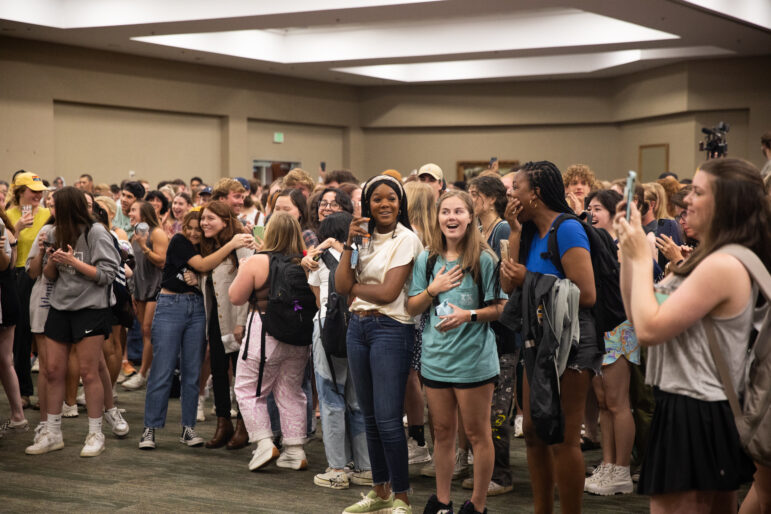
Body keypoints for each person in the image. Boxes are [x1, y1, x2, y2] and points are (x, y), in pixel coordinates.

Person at [615, 158, 770, 514]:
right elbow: (638, 315)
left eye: (699, 192)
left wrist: (641, 258)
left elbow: (650, 330)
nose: (686, 201)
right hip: (688, 405)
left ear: (727, 203)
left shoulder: (724, 264)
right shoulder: (709, 257)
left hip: (697, 409)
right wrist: (630, 252)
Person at [500, 161, 599, 514]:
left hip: (570, 342)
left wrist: (529, 277)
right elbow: (508, 284)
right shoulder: (526, 231)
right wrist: (513, 231)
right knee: (534, 431)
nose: (510, 194)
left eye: (516, 188)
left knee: (564, 437)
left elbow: (586, 294)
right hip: (537, 340)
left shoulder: (568, 229)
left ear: (536, 194)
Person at [407, 190, 505, 514]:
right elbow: (412, 306)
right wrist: (433, 289)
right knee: (442, 432)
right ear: (437, 217)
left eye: (458, 212)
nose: (451, 218)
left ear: (470, 217)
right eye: (445, 211)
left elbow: (499, 308)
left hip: (474, 360)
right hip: (436, 360)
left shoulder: (484, 259)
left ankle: (477, 505)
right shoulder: (428, 259)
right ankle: (443, 502)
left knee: (478, 434)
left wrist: (469, 315)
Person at [335, 174, 424, 514]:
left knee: (388, 418)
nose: (384, 204)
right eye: (377, 199)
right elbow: (342, 283)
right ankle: (380, 491)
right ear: (366, 204)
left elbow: (388, 292)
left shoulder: (407, 239)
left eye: (391, 198)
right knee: (369, 416)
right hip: (357, 327)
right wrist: (348, 244)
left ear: (400, 204)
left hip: (391, 328)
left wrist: (355, 289)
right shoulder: (361, 238)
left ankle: (402, 496)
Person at [137, 210, 254, 450]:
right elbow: (202, 264)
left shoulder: (209, 246)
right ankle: (149, 429)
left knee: (192, 372)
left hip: (199, 308)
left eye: (197, 229)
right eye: (189, 227)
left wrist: (245, 237)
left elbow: (210, 270)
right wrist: (232, 242)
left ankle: (188, 429)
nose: (193, 232)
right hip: (171, 306)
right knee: (163, 368)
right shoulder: (180, 241)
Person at [25, 187, 120, 457]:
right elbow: (49, 276)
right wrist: (54, 260)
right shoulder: (54, 233)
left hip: (90, 308)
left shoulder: (96, 232)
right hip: (59, 307)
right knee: (53, 370)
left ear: (70, 208)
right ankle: (52, 433)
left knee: (89, 372)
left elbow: (107, 275)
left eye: (56, 205)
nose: (51, 210)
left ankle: (95, 433)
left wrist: (73, 262)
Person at [230, 212, 312, 471]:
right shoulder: (305, 262)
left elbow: (235, 297)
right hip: (298, 336)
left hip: (263, 333)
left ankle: (264, 443)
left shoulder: (257, 262)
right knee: (290, 391)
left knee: (247, 389)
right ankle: (295, 450)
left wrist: (243, 270)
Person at [304, 212, 373, 489]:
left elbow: (319, 300)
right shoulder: (361, 258)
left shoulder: (317, 259)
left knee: (331, 398)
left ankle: (337, 468)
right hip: (359, 327)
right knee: (358, 401)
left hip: (327, 332)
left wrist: (321, 249)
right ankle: (366, 466)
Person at [583, 189, 639, 495]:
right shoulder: (588, 244)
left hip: (618, 327)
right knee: (603, 402)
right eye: (588, 208)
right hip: (597, 327)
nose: (591, 213)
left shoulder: (624, 246)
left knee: (618, 403)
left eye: (598, 208)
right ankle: (607, 463)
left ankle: (622, 469)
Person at [467, 174, 518, 497]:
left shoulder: (500, 229)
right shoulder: (481, 230)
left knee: (498, 409)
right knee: (484, 409)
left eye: (473, 195)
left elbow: (502, 278)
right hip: (485, 332)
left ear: (486, 199)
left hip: (502, 330)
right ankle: (487, 471)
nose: (469, 201)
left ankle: (501, 474)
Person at [199, 201, 253, 449]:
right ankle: (224, 423)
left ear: (224, 220)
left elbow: (249, 284)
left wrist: (241, 323)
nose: (204, 223)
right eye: (203, 218)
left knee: (241, 376)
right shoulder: (209, 246)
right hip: (216, 319)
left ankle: (244, 426)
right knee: (219, 373)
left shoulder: (241, 245)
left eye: (210, 218)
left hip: (236, 319)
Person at [6, 172, 51, 409]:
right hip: (16, 275)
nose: (38, 194)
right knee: (20, 336)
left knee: (45, 334)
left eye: (40, 190)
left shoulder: (47, 214)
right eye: (33, 190)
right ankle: (24, 391)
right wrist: (16, 228)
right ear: (20, 191)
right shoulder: (8, 215)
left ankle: (50, 392)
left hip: (43, 276)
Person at [402, 181, 435, 467]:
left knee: (411, 379)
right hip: (422, 316)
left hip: (410, 316)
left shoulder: (411, 236)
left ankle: (418, 441)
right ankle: (419, 439)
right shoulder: (432, 235)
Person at [122, 202, 168, 390]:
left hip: (155, 287)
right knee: (144, 331)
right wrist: (133, 291)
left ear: (144, 213)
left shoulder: (156, 233)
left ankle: (143, 373)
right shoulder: (135, 235)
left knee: (149, 330)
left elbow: (162, 261)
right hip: (140, 288)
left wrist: (144, 246)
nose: (130, 213)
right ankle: (148, 370)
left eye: (134, 210)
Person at [0, 208, 28, 435]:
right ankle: (18, 415)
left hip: (4, 298)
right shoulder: (8, 227)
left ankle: (18, 415)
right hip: (8, 295)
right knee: (5, 360)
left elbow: (6, 265)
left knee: (5, 360)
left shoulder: (4, 230)